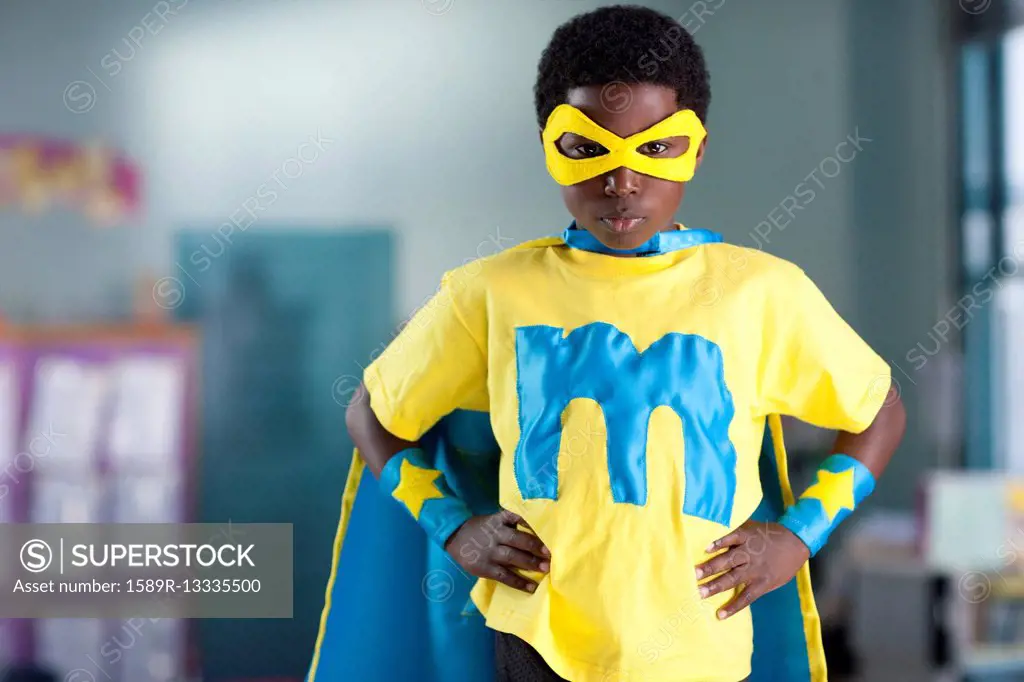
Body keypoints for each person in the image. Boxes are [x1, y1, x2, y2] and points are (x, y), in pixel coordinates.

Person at [343, 5, 906, 681]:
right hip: (537, 638)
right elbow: (372, 414)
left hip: (700, 648)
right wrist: (453, 527)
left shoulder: (762, 293)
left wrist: (799, 536)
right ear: (549, 143)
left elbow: (879, 411)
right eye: (587, 148)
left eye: (656, 147)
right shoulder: (489, 292)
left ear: (696, 148)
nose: (622, 181)